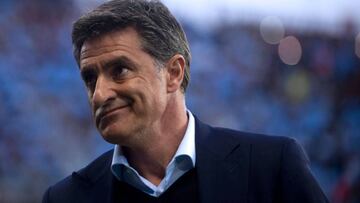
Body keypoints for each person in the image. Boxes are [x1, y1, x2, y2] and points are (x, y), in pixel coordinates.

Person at [42, 0, 329, 202]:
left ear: (173, 73)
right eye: (90, 79)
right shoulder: (66, 197)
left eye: (120, 70)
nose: (100, 94)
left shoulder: (271, 168)